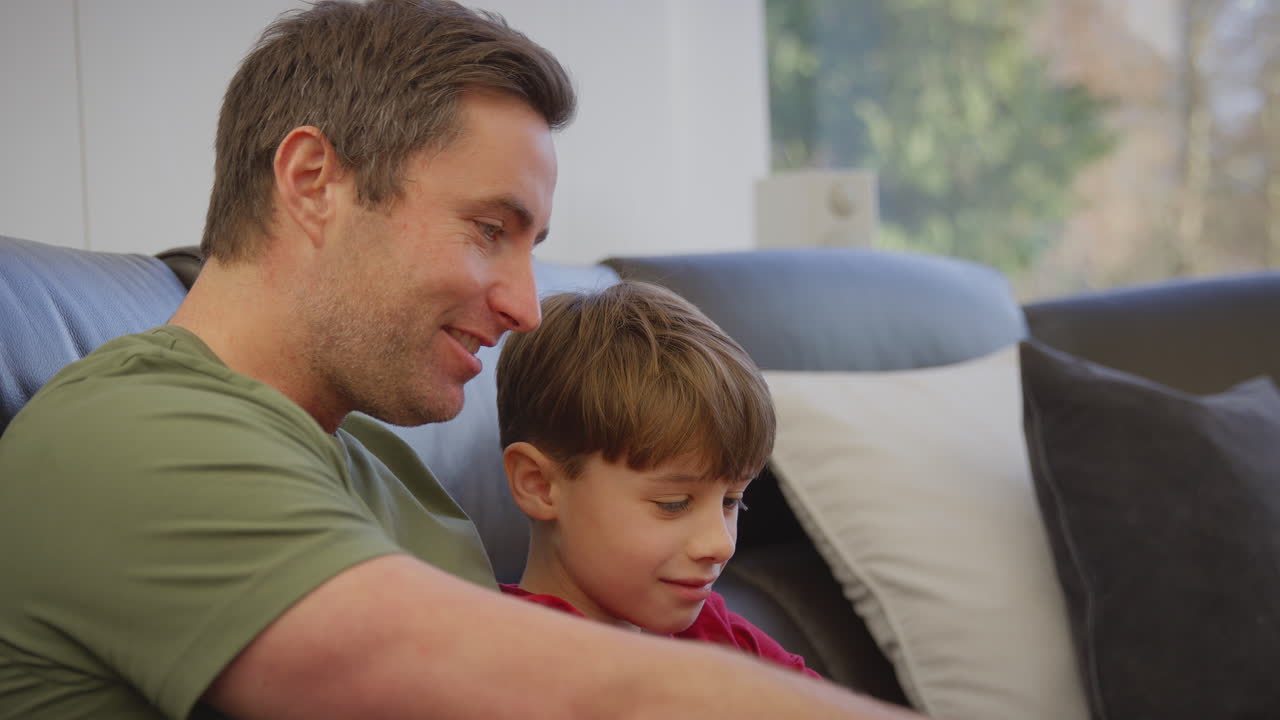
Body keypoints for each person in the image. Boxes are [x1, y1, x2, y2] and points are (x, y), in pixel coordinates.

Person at [0, 1, 925, 718]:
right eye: (489, 230)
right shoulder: (131, 439)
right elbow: (583, 700)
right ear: (313, 182)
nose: (526, 306)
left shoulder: (384, 467)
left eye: (532, 248)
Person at [495, 281, 821, 678]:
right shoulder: (507, 657)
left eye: (731, 500)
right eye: (674, 503)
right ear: (539, 484)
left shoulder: (715, 633)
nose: (720, 544)